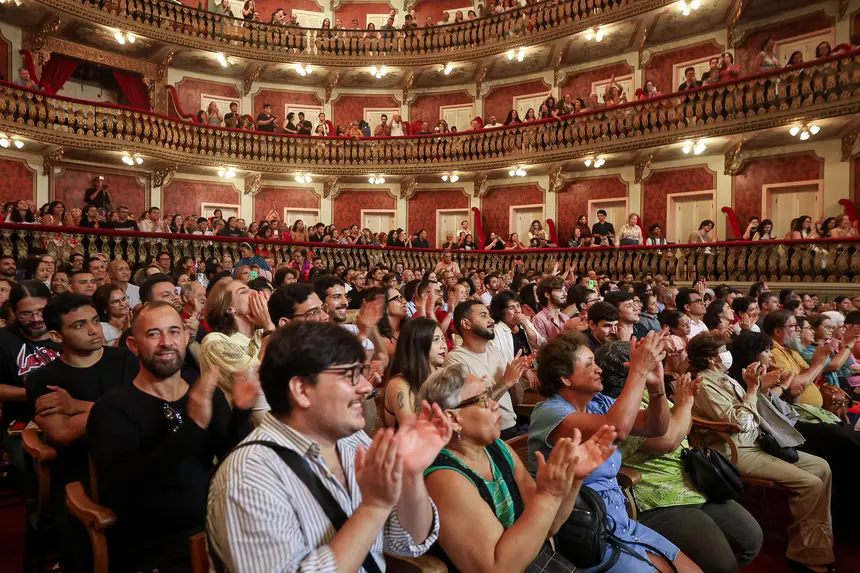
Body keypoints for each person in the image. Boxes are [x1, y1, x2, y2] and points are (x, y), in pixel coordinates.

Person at [207, 321, 448, 571]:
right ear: (302, 390)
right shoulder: (248, 475)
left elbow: (409, 541)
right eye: (351, 376)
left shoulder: (351, 441)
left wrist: (411, 475)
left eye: (363, 372)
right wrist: (373, 507)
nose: (367, 387)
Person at [86, 302, 255, 573]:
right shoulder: (112, 409)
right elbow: (125, 491)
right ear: (133, 345)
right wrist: (193, 427)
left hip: (219, 525)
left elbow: (231, 457)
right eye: (153, 334)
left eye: (174, 331)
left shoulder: (202, 393)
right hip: (156, 545)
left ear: (186, 337)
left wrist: (241, 410)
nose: (166, 342)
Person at [530, 333, 701, 573]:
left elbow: (656, 426)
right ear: (565, 378)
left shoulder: (599, 403)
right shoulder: (550, 412)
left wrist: (656, 389)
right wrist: (637, 372)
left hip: (620, 520)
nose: (598, 369)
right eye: (589, 364)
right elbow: (616, 429)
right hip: (585, 532)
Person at [421, 363, 616, 573]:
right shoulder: (444, 477)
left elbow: (548, 527)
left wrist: (574, 478)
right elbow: (497, 569)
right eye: (482, 399)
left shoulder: (497, 447)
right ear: (452, 418)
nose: (494, 405)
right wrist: (548, 495)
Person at [689, 331, 834, 573]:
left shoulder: (725, 378)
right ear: (712, 358)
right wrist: (752, 389)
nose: (728, 354)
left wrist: (760, 388)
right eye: (724, 351)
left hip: (756, 442)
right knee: (810, 483)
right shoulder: (704, 384)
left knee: (822, 467)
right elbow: (740, 422)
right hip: (734, 449)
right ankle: (805, 556)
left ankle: (806, 540)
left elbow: (754, 410)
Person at [26, 293, 139, 572]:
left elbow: (150, 410)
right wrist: (125, 412)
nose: (93, 330)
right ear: (56, 335)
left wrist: (76, 407)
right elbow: (63, 433)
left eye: (95, 321)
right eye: (79, 325)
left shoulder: (125, 360)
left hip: (134, 460)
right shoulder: (44, 379)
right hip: (77, 472)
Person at [444, 300, 532, 439]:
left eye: (489, 315)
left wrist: (516, 377)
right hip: (488, 435)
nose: (491, 320)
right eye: (484, 316)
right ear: (466, 323)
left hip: (512, 426)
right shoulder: (455, 360)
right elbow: (470, 410)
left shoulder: (495, 351)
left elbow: (516, 401)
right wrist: (505, 382)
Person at [0, 281, 61, 472]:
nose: (36, 319)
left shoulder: (67, 330)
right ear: (13, 312)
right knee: (33, 465)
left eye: (41, 311)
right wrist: (33, 393)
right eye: (26, 314)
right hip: (23, 422)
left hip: (71, 415)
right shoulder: (4, 340)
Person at [200, 278, 274, 425]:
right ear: (229, 308)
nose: (255, 292)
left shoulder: (262, 334)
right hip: (244, 430)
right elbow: (256, 381)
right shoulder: (214, 341)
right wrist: (269, 328)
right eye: (243, 291)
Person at [384, 317, 447, 428]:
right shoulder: (398, 384)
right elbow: (410, 428)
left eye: (443, 338)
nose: (444, 345)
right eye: (436, 340)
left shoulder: (443, 374)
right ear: (418, 345)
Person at [489, 290, 546, 362]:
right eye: (511, 308)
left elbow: (541, 344)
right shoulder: (497, 331)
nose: (517, 311)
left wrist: (526, 326)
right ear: (501, 312)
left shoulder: (525, 322)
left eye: (518, 306)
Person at [532, 276, 570, 341]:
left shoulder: (566, 318)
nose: (565, 294)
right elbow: (543, 346)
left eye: (564, 290)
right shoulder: (539, 320)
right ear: (547, 295)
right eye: (559, 291)